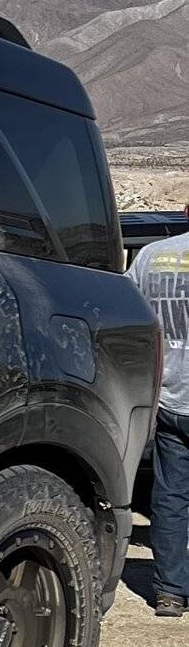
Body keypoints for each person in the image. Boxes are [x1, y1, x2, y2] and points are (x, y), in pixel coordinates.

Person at [130, 218, 189, 616]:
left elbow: (127, 316)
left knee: (170, 498)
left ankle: (170, 590)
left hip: (169, 397)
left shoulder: (151, 256)